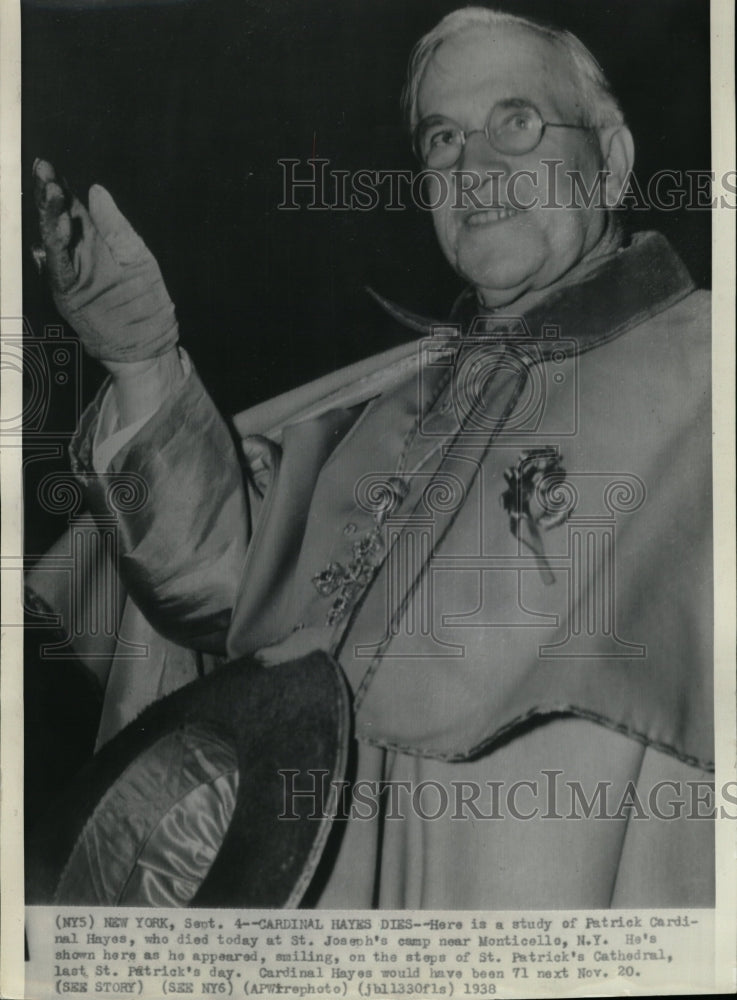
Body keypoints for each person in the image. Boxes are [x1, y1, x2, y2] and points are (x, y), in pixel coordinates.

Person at [29, 6, 713, 908]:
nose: (474, 169)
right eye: (442, 139)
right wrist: (141, 359)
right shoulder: (397, 399)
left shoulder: (713, 371)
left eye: (515, 122)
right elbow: (228, 600)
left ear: (612, 159)